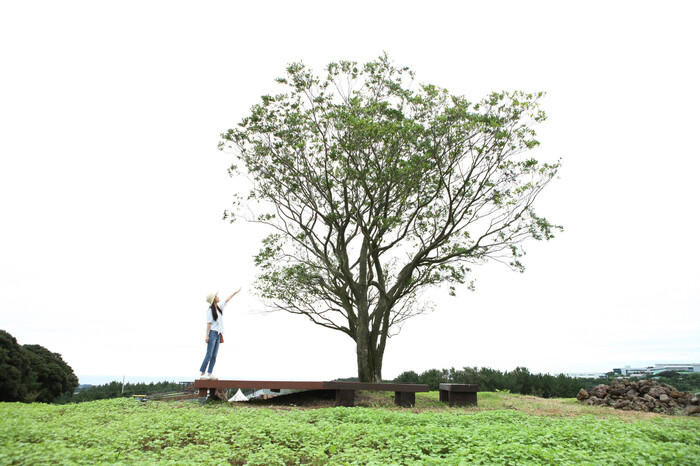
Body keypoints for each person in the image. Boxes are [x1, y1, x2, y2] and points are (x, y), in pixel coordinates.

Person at [199, 288, 241, 380]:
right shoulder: (210, 311)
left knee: (214, 355)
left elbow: (227, 299)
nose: (218, 297)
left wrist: (235, 292)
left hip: (218, 334)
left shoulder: (219, 308)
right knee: (209, 354)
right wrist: (206, 336)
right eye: (216, 296)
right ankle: (202, 373)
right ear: (214, 299)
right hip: (212, 333)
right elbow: (209, 324)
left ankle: (209, 373)